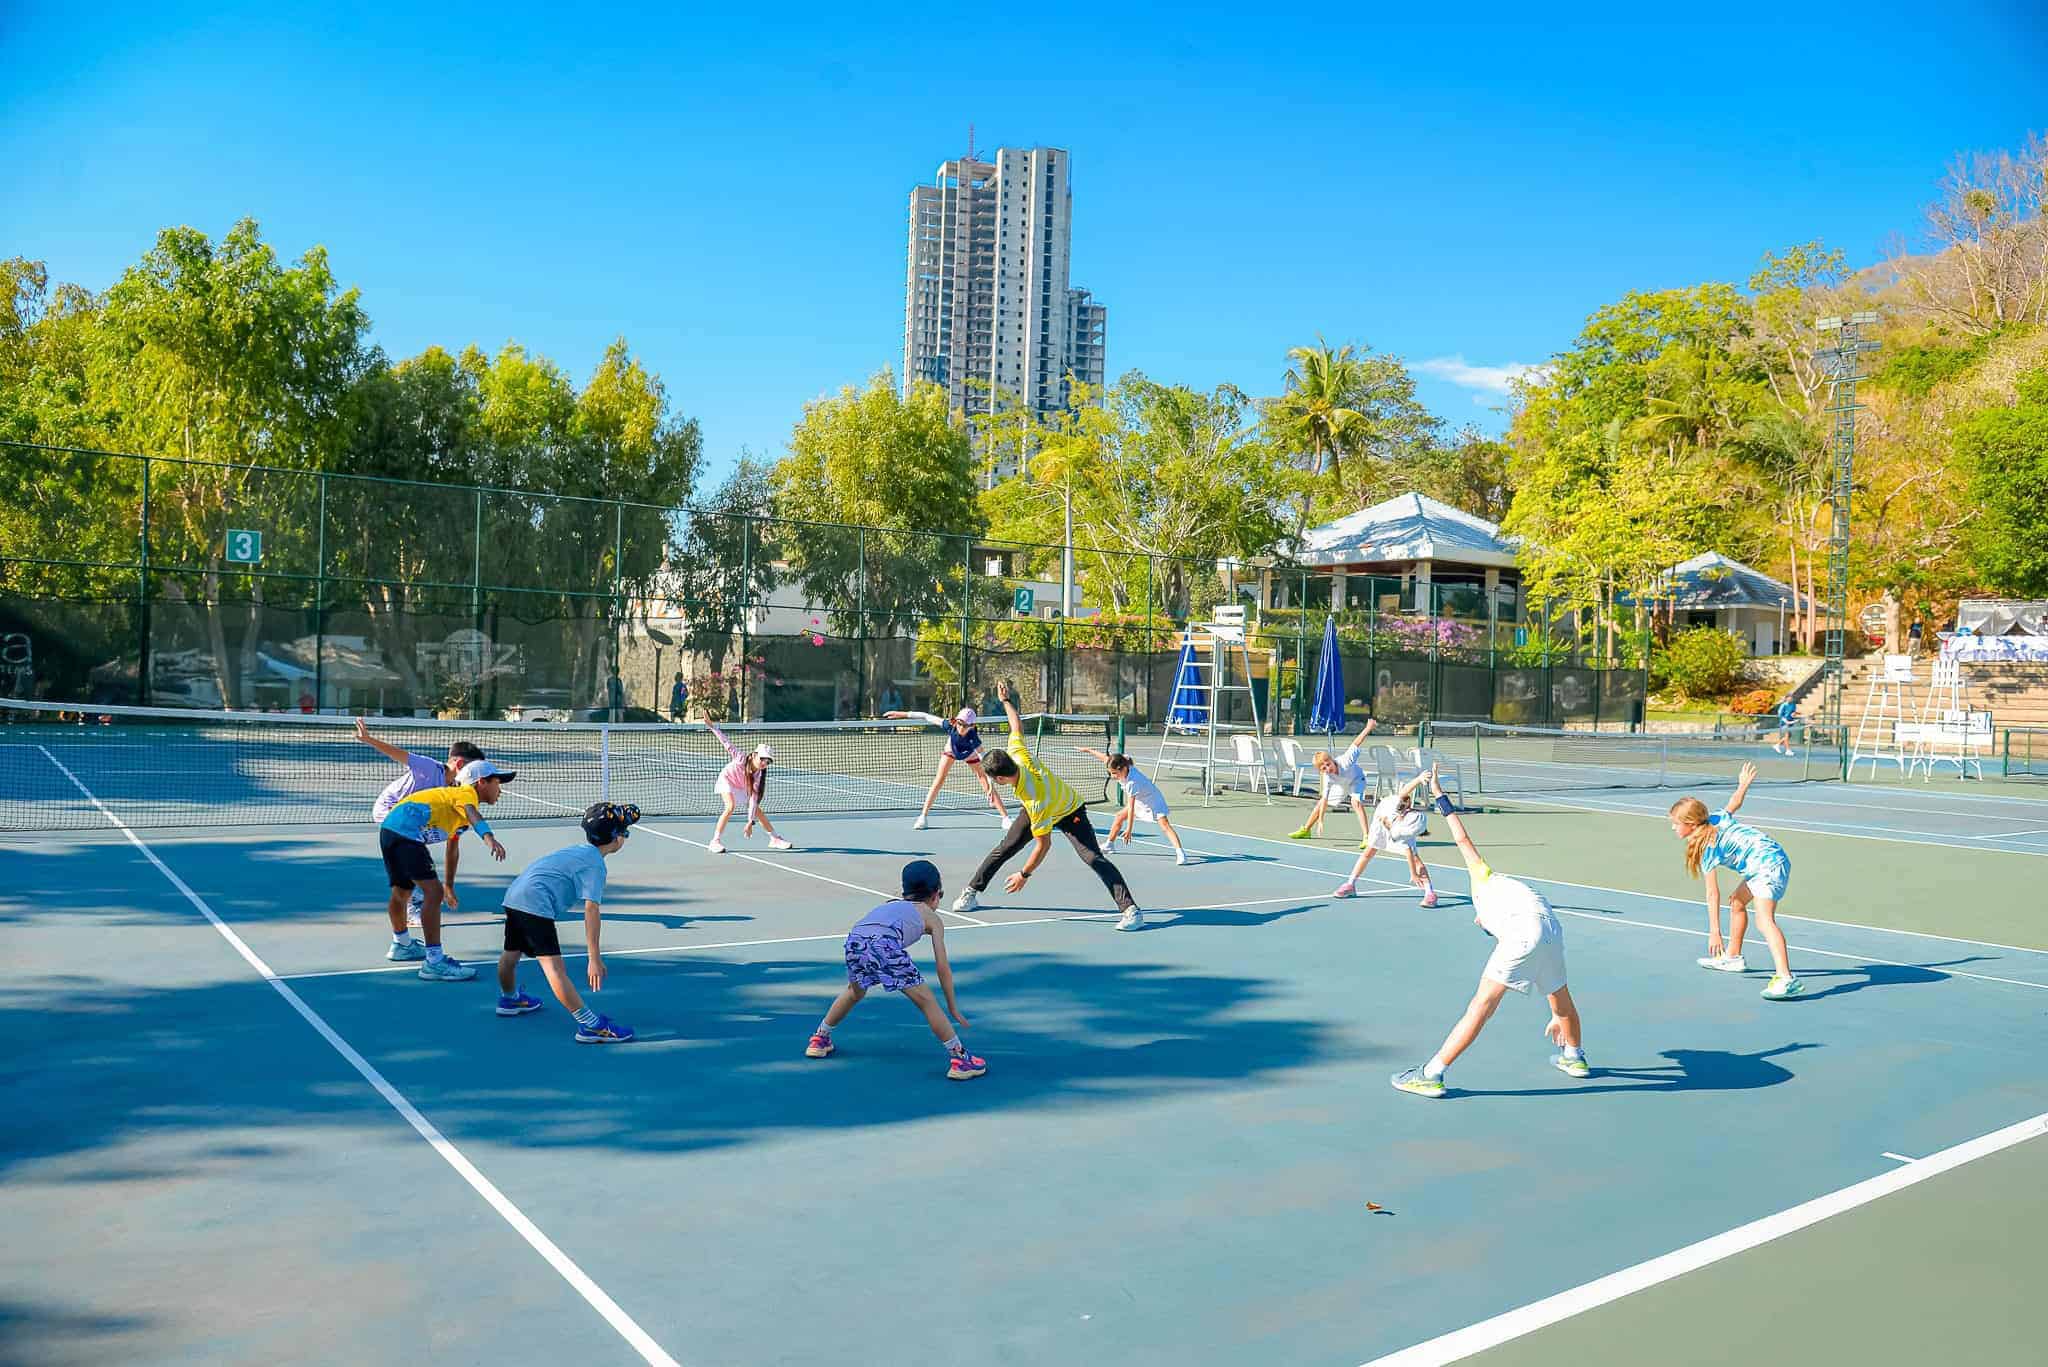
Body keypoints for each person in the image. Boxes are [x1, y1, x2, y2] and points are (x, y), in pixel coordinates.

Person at [1391, 767, 1587, 1099]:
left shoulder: (1482, 877)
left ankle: (1431, 1073)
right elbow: (1529, 939)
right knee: (1561, 999)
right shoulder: (1508, 893)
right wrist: (1556, 1016)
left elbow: (1461, 836)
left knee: (1482, 1005)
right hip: (1551, 928)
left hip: (1527, 932)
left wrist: (1438, 793)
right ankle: (1574, 1057)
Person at [954, 682, 1144, 930]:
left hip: (1069, 810)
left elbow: (1044, 845)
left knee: (1093, 858)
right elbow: (1016, 725)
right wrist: (1006, 701)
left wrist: (1023, 874)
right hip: (1044, 803)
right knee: (1006, 847)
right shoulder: (1017, 753)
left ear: (1000, 779)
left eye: (992, 779)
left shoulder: (1035, 799)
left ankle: (1131, 910)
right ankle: (971, 891)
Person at [804, 859, 983, 1080]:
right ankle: (961, 1060)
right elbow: (942, 967)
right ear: (936, 894)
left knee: (854, 991)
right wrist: (953, 1007)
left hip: (855, 940)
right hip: (884, 944)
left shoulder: (889, 904)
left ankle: (820, 1038)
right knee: (927, 1002)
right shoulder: (932, 918)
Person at [495, 801, 640, 1043]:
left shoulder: (580, 851)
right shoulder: (595, 866)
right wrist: (594, 958)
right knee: (554, 969)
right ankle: (591, 1026)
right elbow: (591, 909)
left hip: (515, 896)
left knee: (511, 954)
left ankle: (509, 998)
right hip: (535, 903)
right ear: (617, 838)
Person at [1669, 762, 1803, 999]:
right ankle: (1733, 957)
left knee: (1764, 920)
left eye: (1675, 824)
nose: (1673, 828)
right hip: (1769, 858)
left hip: (1767, 865)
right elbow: (1735, 802)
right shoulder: (1715, 819)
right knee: (1738, 902)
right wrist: (1743, 784)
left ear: (1690, 825)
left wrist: (1714, 932)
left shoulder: (1706, 847)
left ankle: (1786, 977)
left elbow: (1712, 893)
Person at [379, 760, 514, 981]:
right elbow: (472, 812)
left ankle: (401, 944)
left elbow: (452, 849)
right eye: (498, 783)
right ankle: (434, 962)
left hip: (390, 829)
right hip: (406, 830)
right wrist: (489, 837)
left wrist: (449, 886)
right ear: (481, 782)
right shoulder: (466, 794)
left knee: (402, 891)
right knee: (432, 893)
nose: (500, 790)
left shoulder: (455, 807)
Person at [357, 717, 485, 940]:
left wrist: (449, 886)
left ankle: (406, 915)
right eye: (477, 769)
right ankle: (413, 905)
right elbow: (397, 754)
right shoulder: (429, 767)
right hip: (389, 810)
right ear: (461, 765)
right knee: (414, 859)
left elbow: (453, 843)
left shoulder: (456, 794)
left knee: (415, 860)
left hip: (414, 821)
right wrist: (368, 739)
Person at [883, 705, 1007, 829]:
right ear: (955, 721)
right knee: (939, 780)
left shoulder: (974, 739)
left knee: (984, 781)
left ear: (972, 726)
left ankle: (1005, 818)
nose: (961, 727)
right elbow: (925, 716)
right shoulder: (949, 725)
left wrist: (991, 785)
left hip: (970, 753)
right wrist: (901, 714)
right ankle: (923, 817)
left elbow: (986, 762)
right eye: (959, 723)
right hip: (951, 750)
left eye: (965, 725)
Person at [1332, 768, 1436, 904]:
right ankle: (1350, 884)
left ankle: (1430, 893)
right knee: (1368, 852)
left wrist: (1413, 874)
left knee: (1416, 860)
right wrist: (1419, 779)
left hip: (1391, 825)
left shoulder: (1406, 827)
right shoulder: (1395, 805)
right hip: (1379, 823)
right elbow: (1404, 791)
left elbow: (1408, 851)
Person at [1079, 746, 1189, 866]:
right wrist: (1088, 750)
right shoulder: (1119, 763)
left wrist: (1129, 829)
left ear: (1123, 769)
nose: (1112, 776)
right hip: (1140, 799)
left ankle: (1181, 854)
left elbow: (1131, 807)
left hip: (1153, 800)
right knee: (1119, 816)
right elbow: (1105, 758)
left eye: (1114, 773)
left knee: (1165, 826)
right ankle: (1109, 845)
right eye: (1110, 773)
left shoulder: (1132, 782)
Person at [706, 720, 792, 854]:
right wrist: (713, 727)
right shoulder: (741, 758)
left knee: (757, 810)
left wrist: (750, 821)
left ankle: (774, 838)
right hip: (727, 781)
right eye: (763, 759)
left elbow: (753, 799)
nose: (764, 763)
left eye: (768, 761)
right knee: (730, 807)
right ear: (754, 755)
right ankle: (714, 841)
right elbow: (726, 743)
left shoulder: (759, 775)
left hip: (741, 786)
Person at [1289, 718, 1380, 843]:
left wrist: (1368, 727)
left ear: (1332, 760)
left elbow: (1356, 743)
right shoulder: (1328, 777)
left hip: (1357, 780)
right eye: (1323, 768)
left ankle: (1366, 837)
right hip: (1342, 785)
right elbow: (1325, 799)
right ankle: (1306, 830)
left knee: (1356, 803)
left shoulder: (1346, 760)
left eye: (1328, 764)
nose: (1327, 768)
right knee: (1321, 803)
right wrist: (1321, 820)